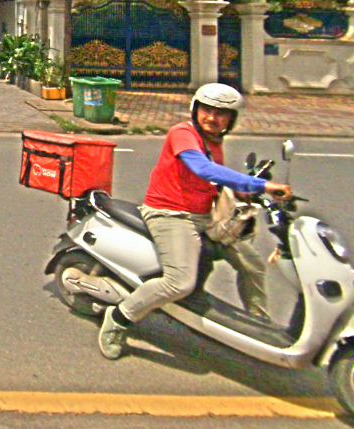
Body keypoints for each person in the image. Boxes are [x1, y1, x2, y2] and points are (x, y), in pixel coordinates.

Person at [98, 82, 293, 360]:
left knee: (253, 265)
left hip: (203, 216)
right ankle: (119, 318)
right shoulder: (183, 133)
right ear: (195, 110)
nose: (212, 118)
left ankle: (259, 329)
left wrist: (243, 191)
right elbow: (202, 169)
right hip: (170, 213)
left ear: (231, 119)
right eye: (207, 110)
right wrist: (260, 185)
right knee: (179, 283)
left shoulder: (214, 142)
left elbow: (210, 180)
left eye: (221, 113)